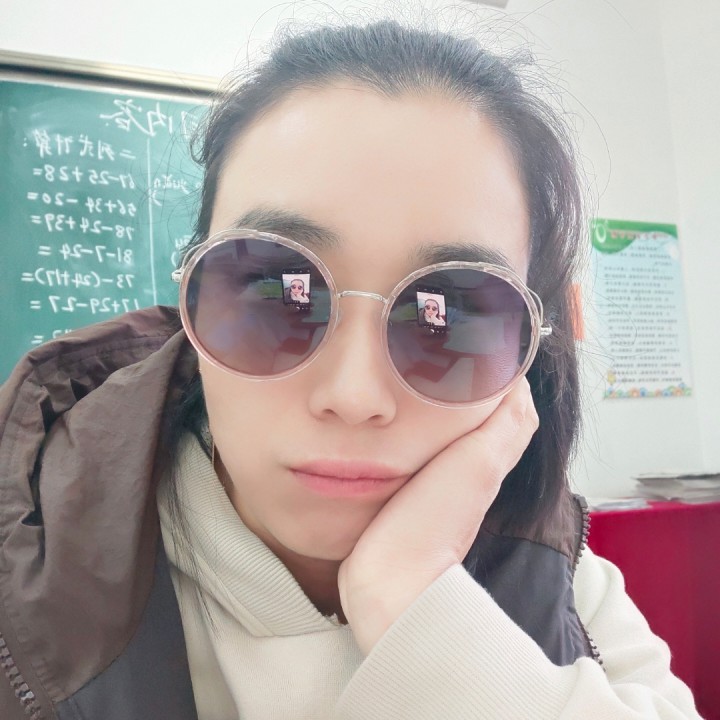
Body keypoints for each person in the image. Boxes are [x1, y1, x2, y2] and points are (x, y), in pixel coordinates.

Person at [0, 18, 701, 720]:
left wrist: (415, 598)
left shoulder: (555, 566)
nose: (355, 395)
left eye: (449, 313)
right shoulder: (26, 581)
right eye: (276, 292)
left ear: (531, 347)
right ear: (193, 295)